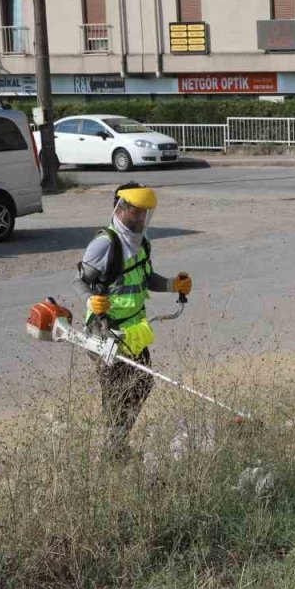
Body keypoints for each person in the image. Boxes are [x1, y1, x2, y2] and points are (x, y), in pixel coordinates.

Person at [73, 182, 194, 459]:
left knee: (141, 384)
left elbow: (146, 278)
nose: (141, 218)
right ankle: (114, 451)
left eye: (145, 213)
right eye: (136, 212)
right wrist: (91, 300)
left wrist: (173, 285)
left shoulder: (142, 242)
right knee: (117, 390)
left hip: (133, 330)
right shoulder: (105, 244)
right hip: (105, 329)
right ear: (121, 208)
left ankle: (117, 444)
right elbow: (79, 281)